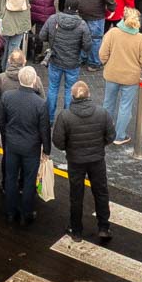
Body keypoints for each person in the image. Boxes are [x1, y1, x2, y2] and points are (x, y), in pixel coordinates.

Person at [51, 80, 115, 241]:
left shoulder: (65, 116)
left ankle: (76, 230)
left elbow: (58, 141)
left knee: (76, 195)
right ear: (89, 95)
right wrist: (100, 145)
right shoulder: (102, 113)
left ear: (72, 96)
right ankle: (104, 227)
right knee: (101, 192)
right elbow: (110, 136)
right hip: (97, 159)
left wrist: (69, 148)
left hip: (75, 160)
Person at [0, 65, 51, 227]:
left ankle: (10, 212)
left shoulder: (7, 97)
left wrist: (8, 135)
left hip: (12, 145)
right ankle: (26, 212)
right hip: (31, 148)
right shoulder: (40, 104)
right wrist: (46, 150)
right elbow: (44, 130)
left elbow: (0, 119)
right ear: (34, 81)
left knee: (11, 178)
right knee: (29, 181)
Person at [96, 8, 142, 146]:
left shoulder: (112, 33)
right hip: (130, 78)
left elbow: (102, 55)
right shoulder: (141, 39)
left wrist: (107, 63)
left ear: (122, 18)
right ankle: (119, 136)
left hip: (112, 74)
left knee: (108, 103)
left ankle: (104, 132)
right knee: (125, 106)